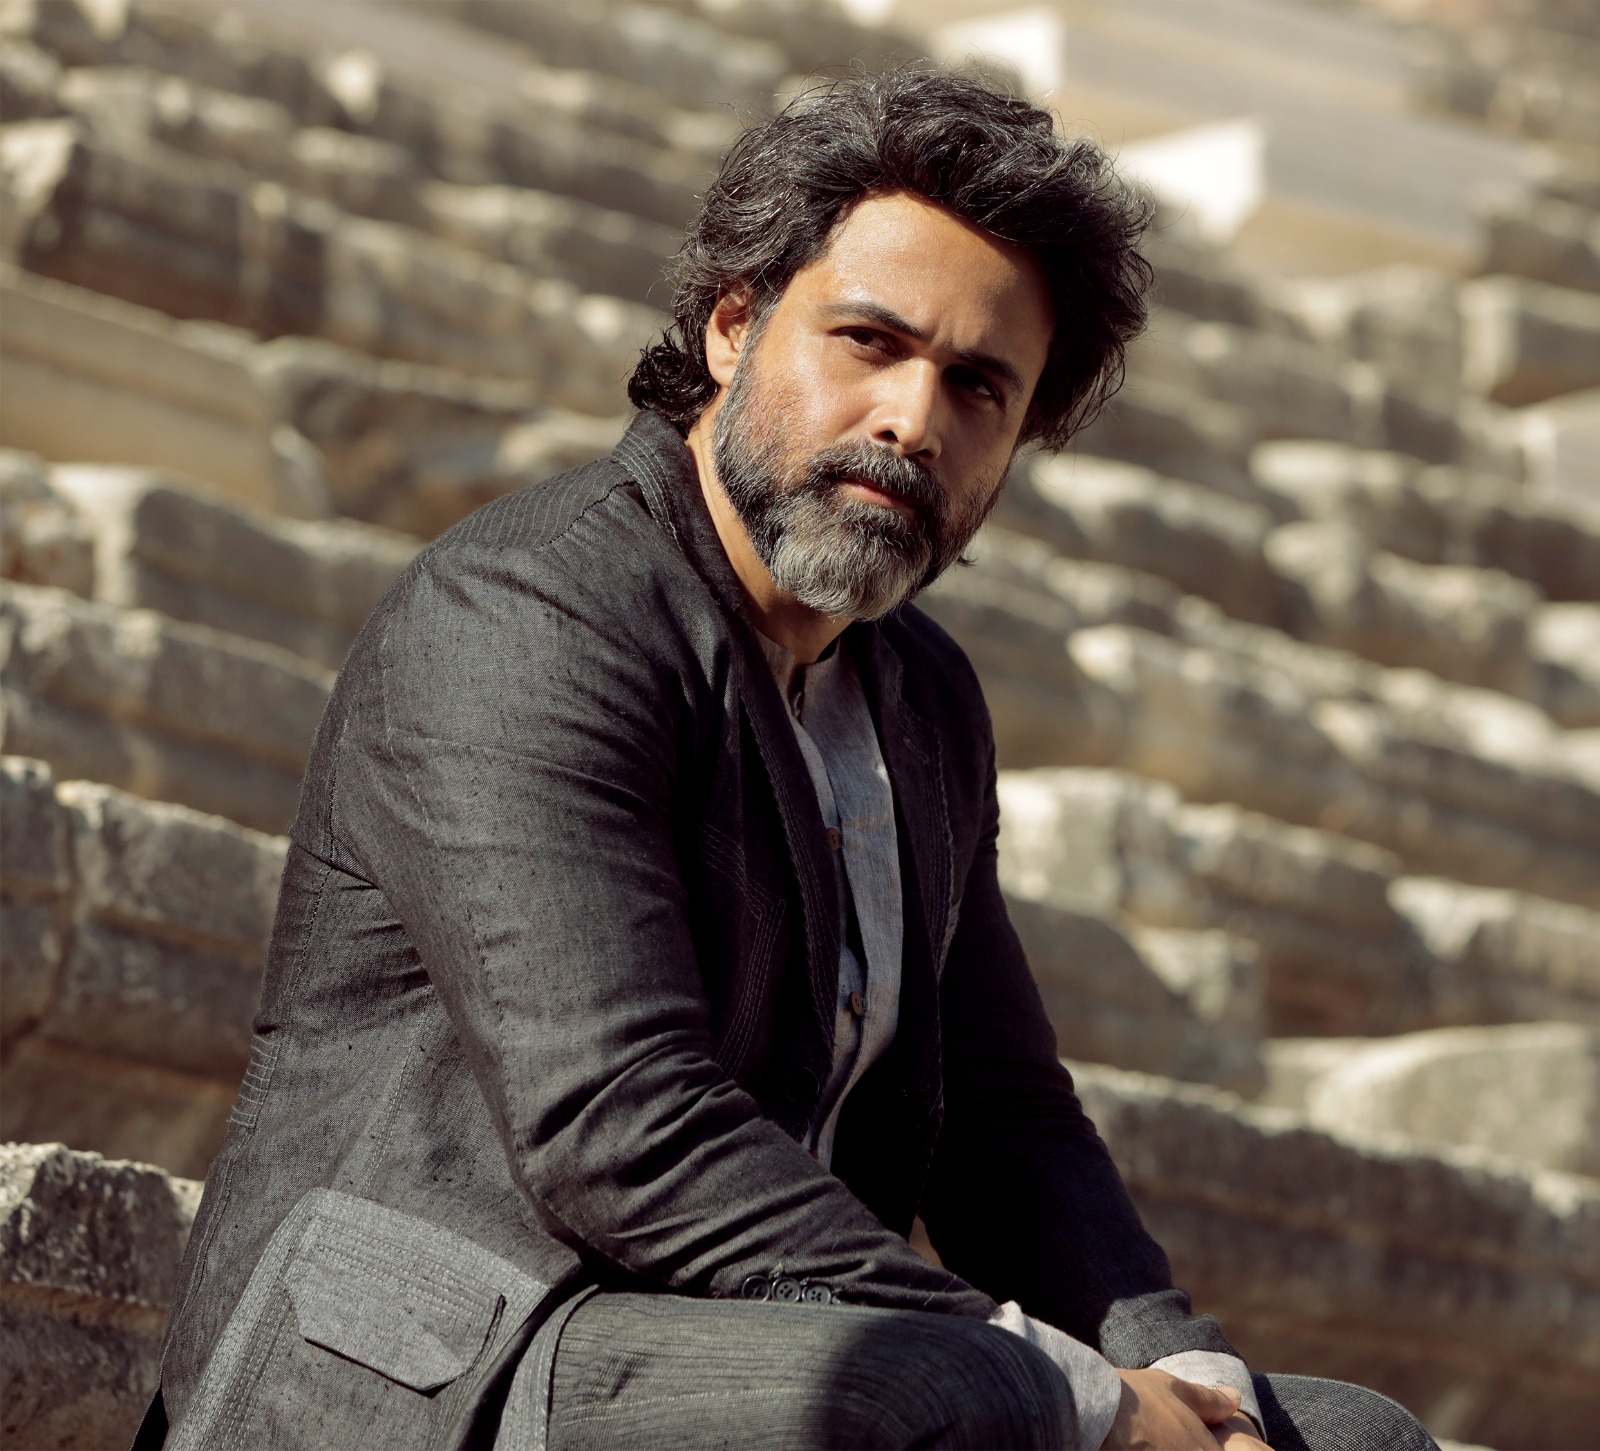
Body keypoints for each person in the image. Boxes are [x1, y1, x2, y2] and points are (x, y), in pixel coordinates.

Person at [144, 69, 1438, 1451]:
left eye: (979, 388)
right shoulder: (526, 614)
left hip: (763, 1353)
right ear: (732, 327)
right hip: (440, 1372)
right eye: (870, 342)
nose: (913, 421)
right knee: (963, 1392)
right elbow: (617, 1121)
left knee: (1347, 1439)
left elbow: (1006, 1125)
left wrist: (1194, 1388)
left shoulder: (926, 700)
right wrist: (1085, 1397)